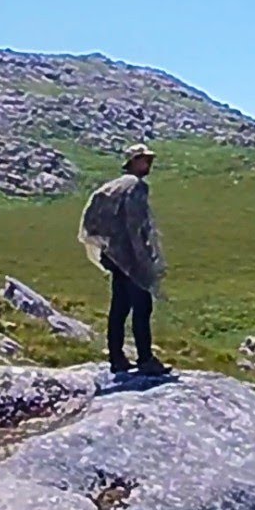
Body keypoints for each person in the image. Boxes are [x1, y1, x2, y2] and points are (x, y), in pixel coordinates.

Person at [78, 143, 171, 376]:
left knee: (119, 307)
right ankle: (145, 359)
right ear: (134, 161)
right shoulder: (136, 187)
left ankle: (117, 358)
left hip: (115, 256)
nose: (149, 163)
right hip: (130, 258)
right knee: (142, 307)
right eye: (144, 159)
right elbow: (135, 225)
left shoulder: (115, 186)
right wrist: (144, 258)